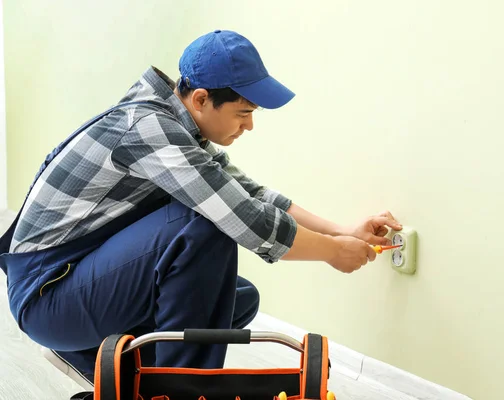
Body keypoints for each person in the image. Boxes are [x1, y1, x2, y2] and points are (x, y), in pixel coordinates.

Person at [0, 29, 402, 383]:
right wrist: (333, 253)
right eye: (243, 113)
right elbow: (243, 217)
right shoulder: (149, 129)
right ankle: (177, 390)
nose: (249, 126)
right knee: (207, 227)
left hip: (71, 279)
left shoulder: (177, 128)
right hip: (47, 295)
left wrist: (342, 232)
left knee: (231, 298)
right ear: (201, 99)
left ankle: (114, 367)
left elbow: (250, 193)